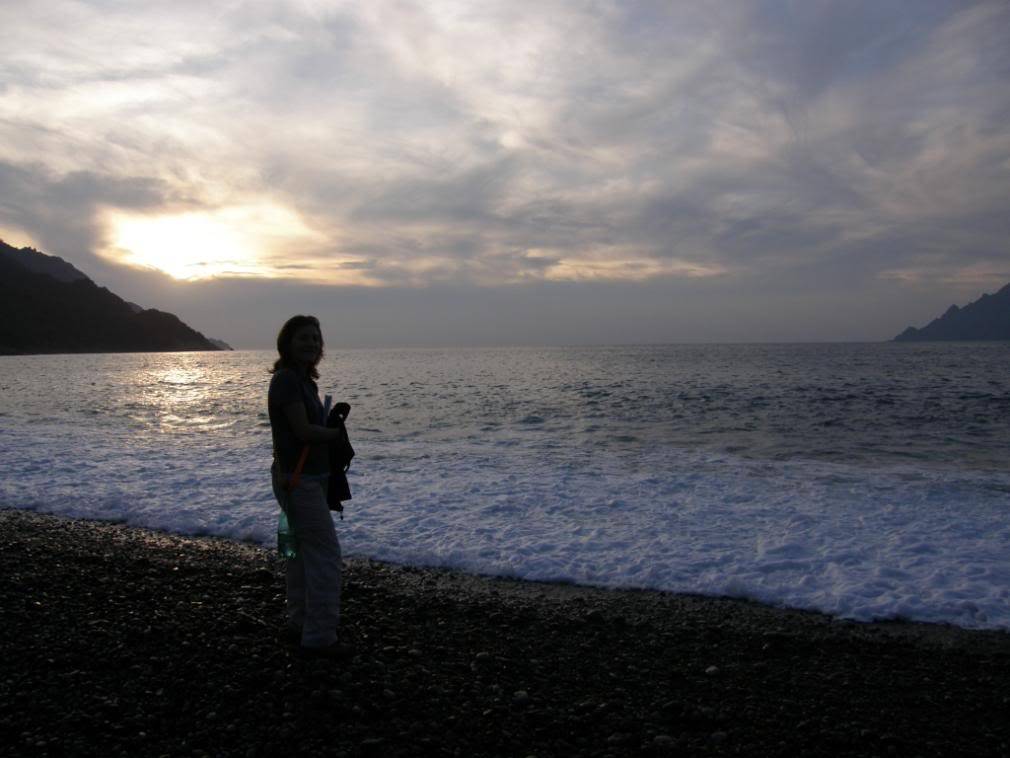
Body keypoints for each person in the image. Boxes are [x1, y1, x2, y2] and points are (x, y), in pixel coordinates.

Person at [268, 315, 351, 658]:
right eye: (304, 338)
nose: (312, 344)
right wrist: (335, 434)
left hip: (305, 479)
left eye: (316, 339)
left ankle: (300, 623)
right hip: (298, 480)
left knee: (302, 557)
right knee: (325, 556)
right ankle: (319, 637)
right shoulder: (287, 381)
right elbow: (302, 431)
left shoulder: (305, 383)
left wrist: (328, 427)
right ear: (287, 342)